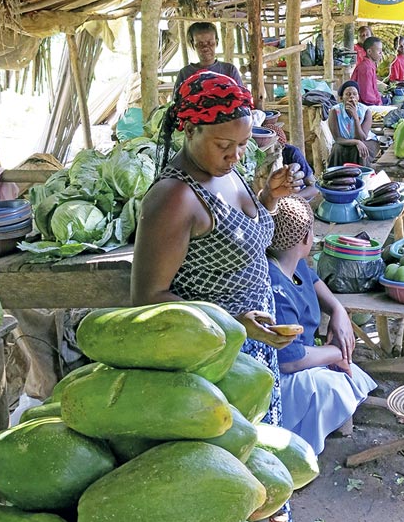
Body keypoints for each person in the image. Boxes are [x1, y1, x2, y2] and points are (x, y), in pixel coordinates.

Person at [130, 71, 304, 431]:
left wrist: (269, 197)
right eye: (224, 145)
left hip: (251, 345)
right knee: (233, 450)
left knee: (261, 450)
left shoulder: (223, 170)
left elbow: (239, 241)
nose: (235, 156)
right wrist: (233, 322)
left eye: (242, 144)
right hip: (215, 358)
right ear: (191, 130)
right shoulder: (175, 197)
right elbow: (147, 297)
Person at [267, 197, 376, 454]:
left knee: (350, 375)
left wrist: (338, 310)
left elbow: (315, 282)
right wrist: (338, 352)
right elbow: (290, 361)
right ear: (306, 238)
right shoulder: (276, 285)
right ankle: (297, 452)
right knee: (333, 387)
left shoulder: (293, 264)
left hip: (303, 357)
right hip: (282, 376)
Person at [174, 22, 243, 91]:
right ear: (193, 45)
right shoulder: (185, 74)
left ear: (216, 42)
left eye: (210, 43)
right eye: (200, 44)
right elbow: (177, 97)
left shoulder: (229, 70)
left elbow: (242, 95)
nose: (205, 48)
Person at [327, 81, 378, 167]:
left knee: (359, 151)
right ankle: (337, 174)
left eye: (355, 94)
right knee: (337, 149)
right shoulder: (335, 111)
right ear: (341, 98)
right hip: (344, 141)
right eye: (348, 94)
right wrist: (356, 142)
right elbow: (338, 139)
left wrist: (355, 117)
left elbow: (362, 138)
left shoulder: (366, 111)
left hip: (367, 141)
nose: (352, 96)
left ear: (358, 97)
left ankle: (361, 174)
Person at [350, 36, 387, 106]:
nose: (381, 54)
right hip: (363, 105)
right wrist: (378, 103)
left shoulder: (370, 65)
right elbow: (367, 96)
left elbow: (373, 90)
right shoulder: (366, 68)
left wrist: (379, 99)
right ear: (369, 51)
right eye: (379, 51)